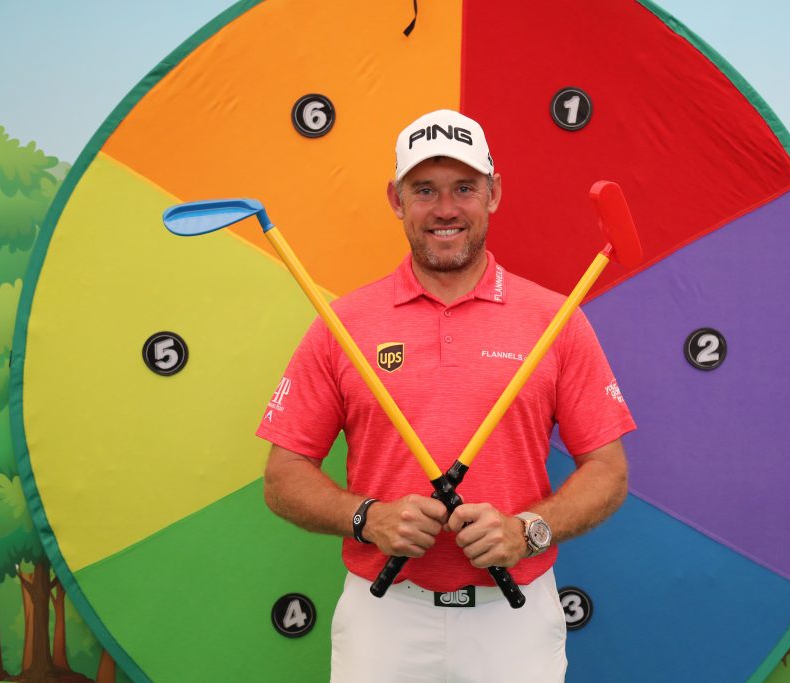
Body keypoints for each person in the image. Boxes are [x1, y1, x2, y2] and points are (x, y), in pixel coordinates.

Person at [257, 109, 635, 683]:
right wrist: (368, 518)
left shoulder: (557, 319)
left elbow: (609, 470)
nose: (445, 209)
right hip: (382, 616)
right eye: (424, 189)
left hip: (516, 618)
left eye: (464, 188)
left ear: (494, 193)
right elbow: (283, 475)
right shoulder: (342, 323)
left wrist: (527, 530)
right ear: (396, 199)